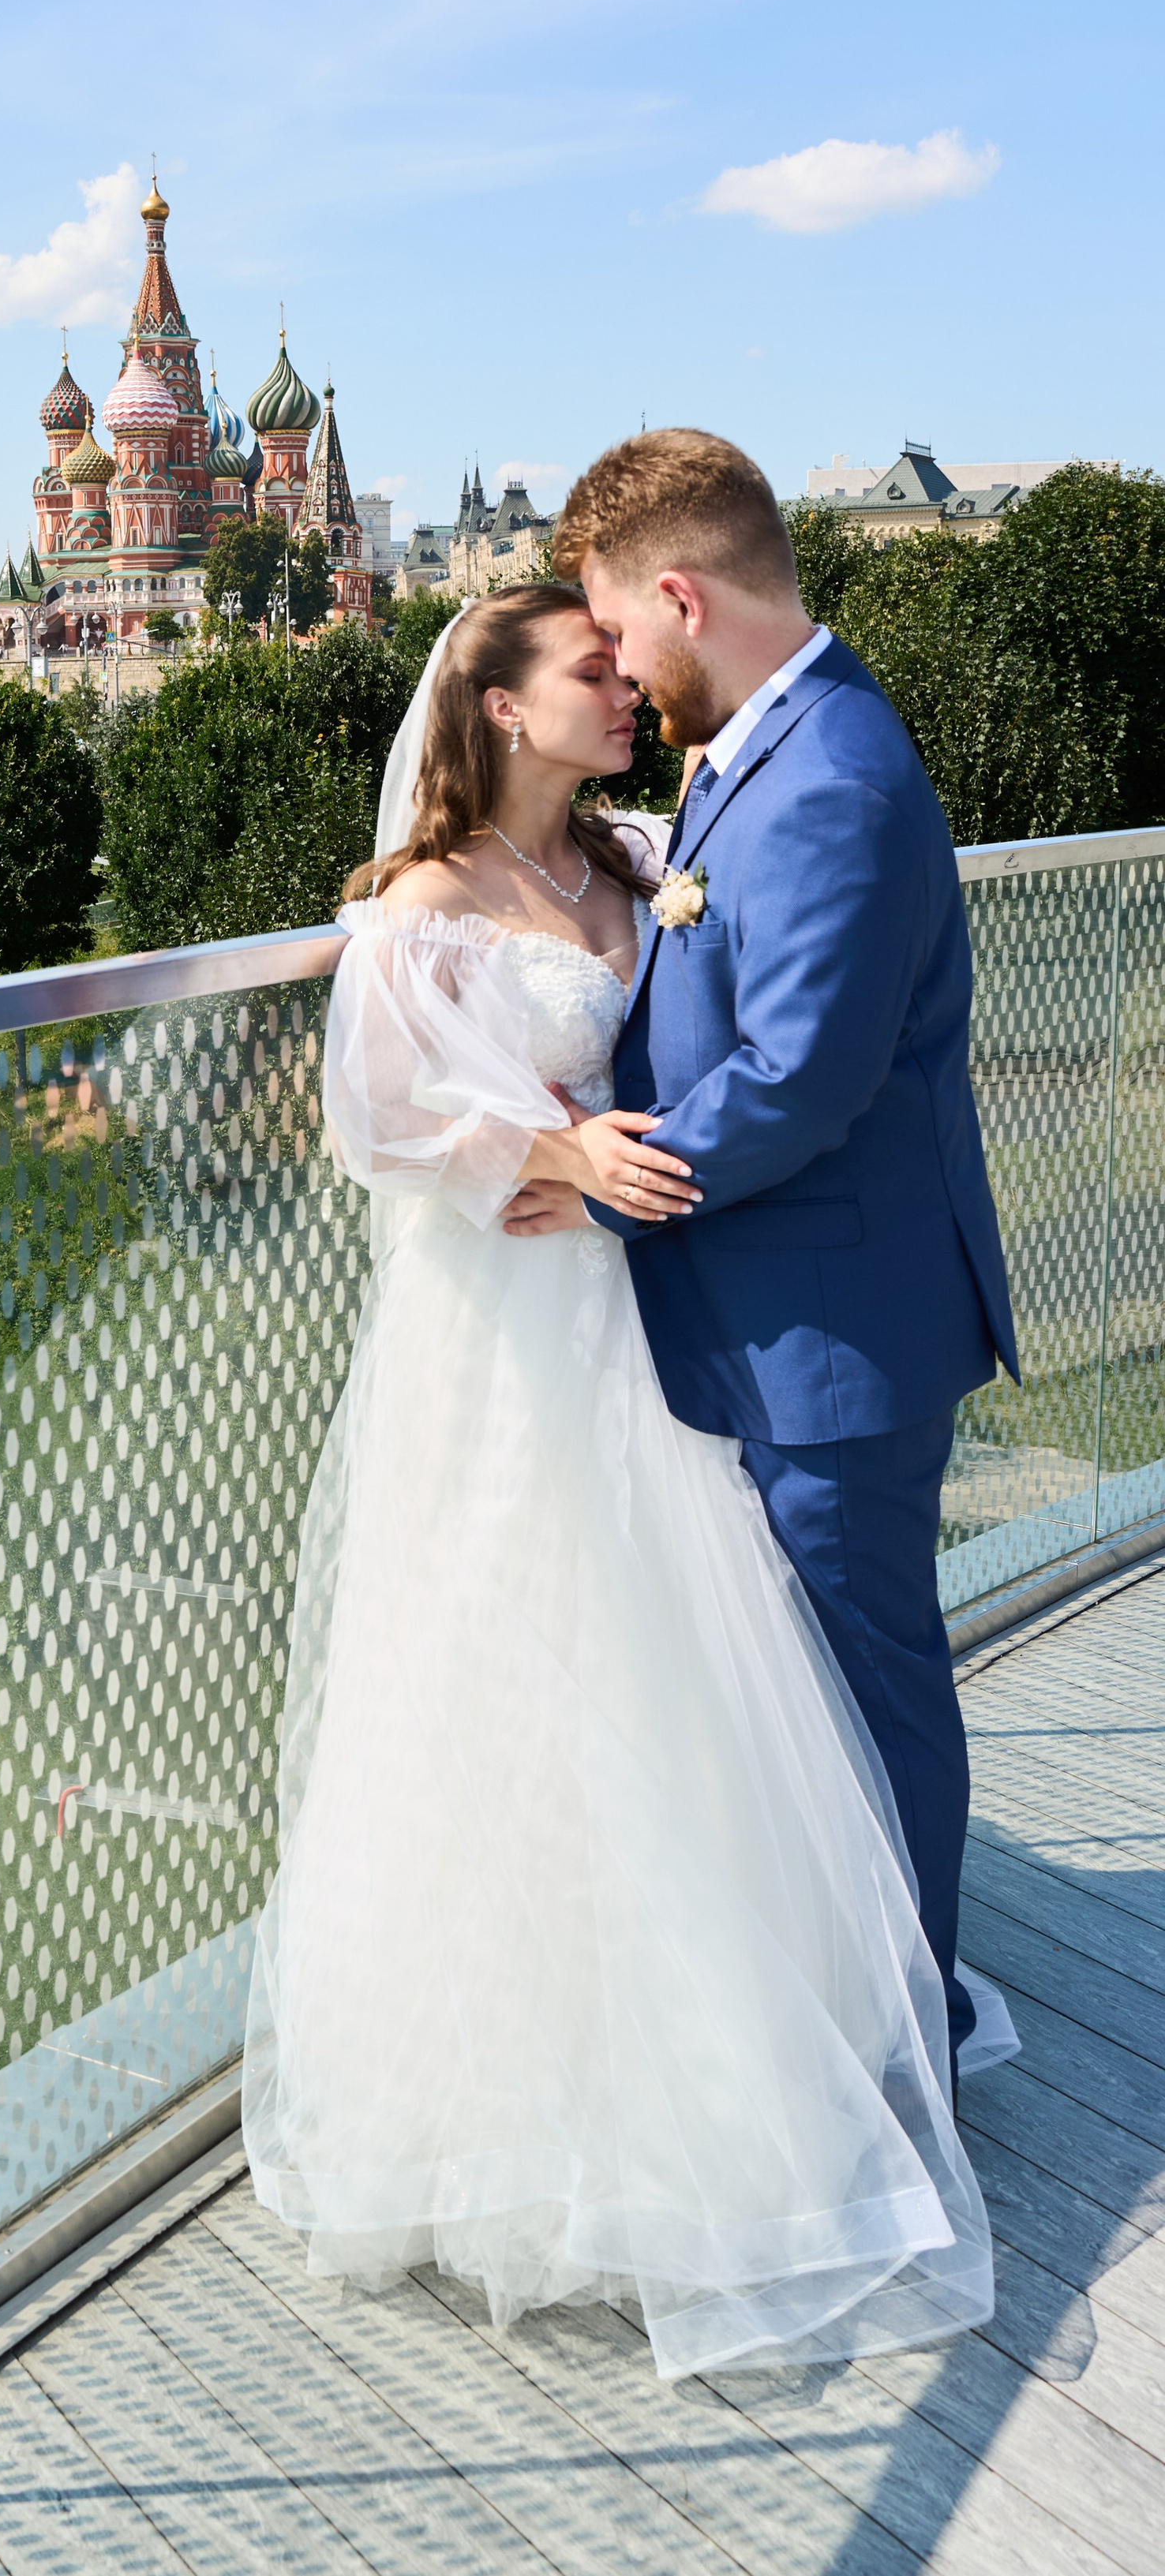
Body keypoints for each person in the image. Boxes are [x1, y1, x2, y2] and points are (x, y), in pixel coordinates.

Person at [242, 574, 1003, 2380]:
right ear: (497, 705)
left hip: (645, 1319)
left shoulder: (636, 858)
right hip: (503, 1336)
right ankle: (514, 2107)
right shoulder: (416, 911)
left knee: (683, 1677)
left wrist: (593, 1156)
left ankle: (748, 2038)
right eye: (586, 670)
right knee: (504, 1672)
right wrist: (541, 1141)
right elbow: (377, 1121)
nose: (621, 686)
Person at [521, 429, 1017, 2075]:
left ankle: (911, 2034)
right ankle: (864, 1999)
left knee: (867, 1694)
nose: (617, 668)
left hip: (832, 1336)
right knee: (815, 1698)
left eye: (620, 632)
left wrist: (590, 1179)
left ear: (679, 592)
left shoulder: (831, 774)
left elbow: (796, 1078)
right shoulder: (765, 743)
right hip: (792, 1313)